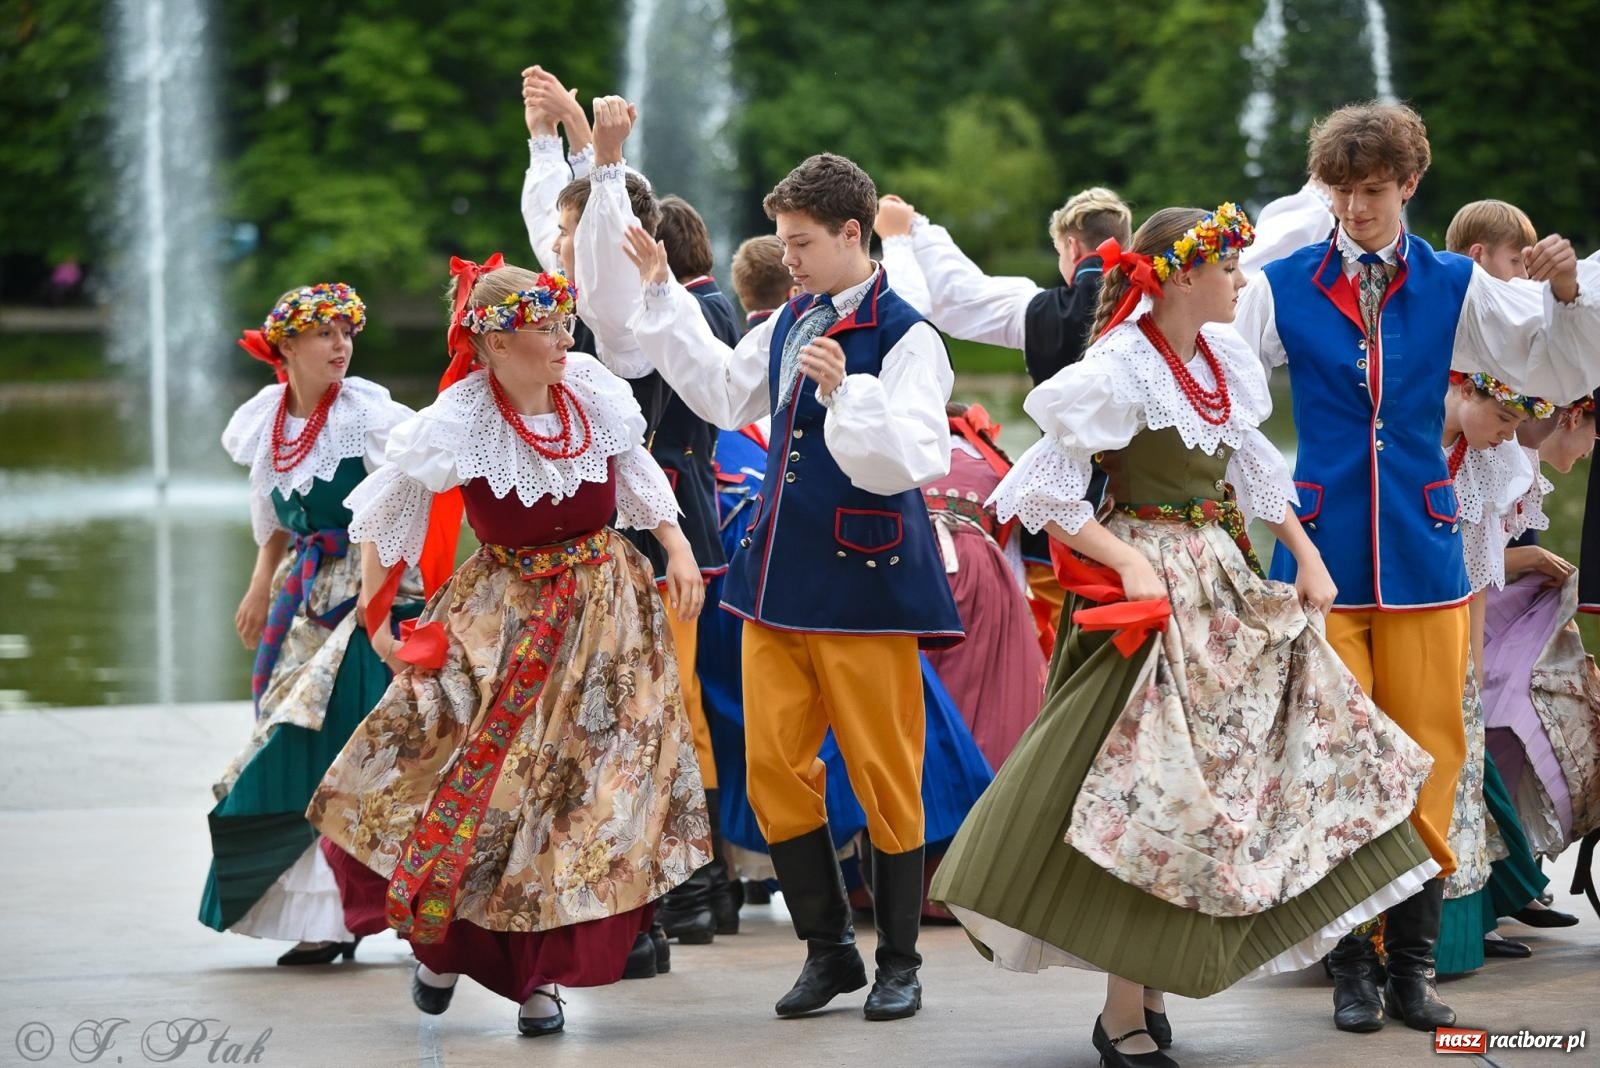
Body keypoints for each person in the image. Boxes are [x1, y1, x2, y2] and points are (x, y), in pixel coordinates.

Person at [1232, 101, 1600, 1033]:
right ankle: (1353, 966)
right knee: (1337, 765)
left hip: (1430, 557)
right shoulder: (1278, 285)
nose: (1355, 209)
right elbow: (1221, 398)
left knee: (1432, 759)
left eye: (1372, 191)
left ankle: (1415, 969)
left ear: (1409, 185)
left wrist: (1563, 296)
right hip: (1322, 564)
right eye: (1341, 192)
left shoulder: (1455, 285)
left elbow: (1550, 368)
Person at [306, 260, 711, 1037]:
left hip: (604, 617)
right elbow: (395, 498)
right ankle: (442, 944)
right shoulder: (461, 416)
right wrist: (376, 609)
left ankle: (541, 982)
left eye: (565, 324)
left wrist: (677, 547)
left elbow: (637, 469)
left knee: (574, 798)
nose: (564, 340)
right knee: (478, 781)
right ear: (493, 342)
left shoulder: (591, 388)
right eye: (546, 327)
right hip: (506, 616)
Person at [622, 151, 963, 1023]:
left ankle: (899, 962)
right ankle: (828, 952)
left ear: (854, 235)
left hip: (869, 584)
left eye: (803, 242)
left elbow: (914, 458)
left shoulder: (910, 335)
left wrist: (850, 396)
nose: (791, 258)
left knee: (888, 775)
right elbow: (722, 391)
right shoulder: (791, 319)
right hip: (775, 581)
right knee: (774, 770)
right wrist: (662, 295)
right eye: (783, 240)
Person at [199, 283, 420, 965]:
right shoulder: (267, 419)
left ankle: (384, 910)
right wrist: (260, 585)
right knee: (290, 737)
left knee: (352, 750)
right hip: (304, 591)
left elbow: (400, 508)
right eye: (324, 334)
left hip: (369, 594)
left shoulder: (367, 414)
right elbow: (271, 517)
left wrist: (375, 606)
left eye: (346, 332)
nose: (340, 345)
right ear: (286, 347)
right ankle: (321, 918)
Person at [876, 188, 1133, 633]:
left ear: (1072, 247)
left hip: (1064, 518)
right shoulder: (1158, 305)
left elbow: (957, 299)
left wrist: (914, 230)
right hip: (1149, 515)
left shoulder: (1044, 311)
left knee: (1066, 646)